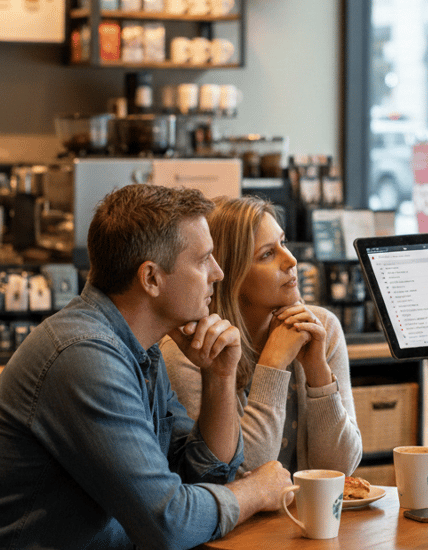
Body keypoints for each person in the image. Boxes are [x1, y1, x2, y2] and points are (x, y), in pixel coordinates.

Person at [0, 184, 293, 550]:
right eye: (203, 260)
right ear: (151, 278)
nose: (217, 273)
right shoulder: (84, 357)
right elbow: (169, 523)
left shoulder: (141, 349)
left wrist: (219, 376)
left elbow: (201, 479)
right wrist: (256, 491)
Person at [162, 195, 362, 475]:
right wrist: (273, 365)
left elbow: (340, 469)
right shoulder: (193, 349)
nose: (291, 260)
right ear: (228, 273)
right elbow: (233, 474)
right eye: (267, 254)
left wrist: (318, 374)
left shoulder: (321, 328)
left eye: (283, 243)